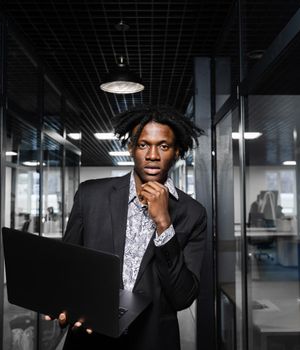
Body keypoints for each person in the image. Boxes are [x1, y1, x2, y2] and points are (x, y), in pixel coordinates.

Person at [52, 105, 207, 350]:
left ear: (177, 151)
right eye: (144, 144)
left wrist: (164, 224)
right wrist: (62, 304)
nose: (153, 154)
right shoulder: (90, 195)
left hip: (153, 339)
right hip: (90, 336)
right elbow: (68, 269)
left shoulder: (193, 213)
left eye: (164, 146)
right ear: (131, 148)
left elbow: (182, 297)